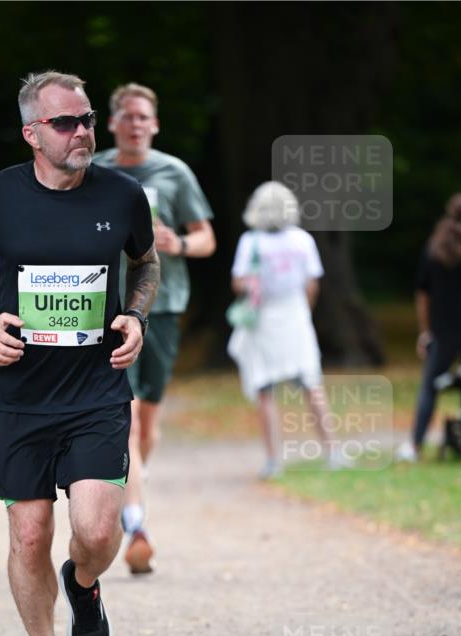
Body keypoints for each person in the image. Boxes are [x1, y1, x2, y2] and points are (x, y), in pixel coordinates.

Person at [0, 71, 159, 636]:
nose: (83, 130)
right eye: (66, 122)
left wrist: (135, 317)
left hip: (95, 390)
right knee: (28, 535)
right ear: (33, 133)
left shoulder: (122, 195)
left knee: (94, 531)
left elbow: (146, 263)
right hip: (19, 397)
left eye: (86, 119)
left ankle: (83, 584)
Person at [94, 83, 215, 574]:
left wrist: (177, 243)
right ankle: (137, 523)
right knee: (126, 412)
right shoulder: (94, 170)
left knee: (147, 425)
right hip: (107, 306)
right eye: (127, 116)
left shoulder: (174, 172)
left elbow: (207, 238)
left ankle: (129, 485)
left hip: (163, 304)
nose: (136, 124)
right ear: (113, 122)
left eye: (144, 117)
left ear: (155, 124)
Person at [230, 181, 345, 478]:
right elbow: (312, 283)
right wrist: (304, 310)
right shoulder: (302, 240)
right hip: (295, 314)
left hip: (264, 318)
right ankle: (332, 450)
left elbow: (238, 282)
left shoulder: (251, 241)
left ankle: (273, 460)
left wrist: (253, 286)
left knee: (264, 388)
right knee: (311, 383)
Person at [396, 193, 461, 462]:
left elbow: (422, 295)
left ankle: (414, 445)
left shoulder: (435, 249)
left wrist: (425, 330)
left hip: (443, 332)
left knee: (429, 388)